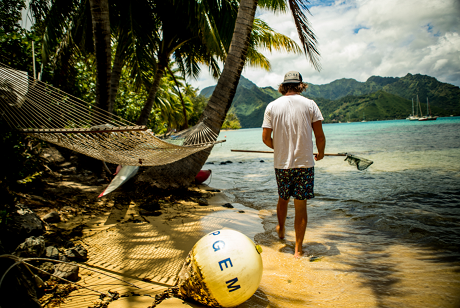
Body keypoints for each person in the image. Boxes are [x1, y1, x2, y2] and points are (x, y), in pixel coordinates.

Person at [262, 71, 326, 258]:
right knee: (300, 205)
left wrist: (280, 148)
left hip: (282, 164)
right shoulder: (310, 104)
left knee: (283, 198)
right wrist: (320, 153)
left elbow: (266, 138)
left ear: (283, 86)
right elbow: (319, 136)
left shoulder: (272, 106)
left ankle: (281, 228)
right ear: (300, 85)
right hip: (305, 163)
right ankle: (298, 250)